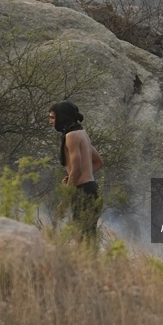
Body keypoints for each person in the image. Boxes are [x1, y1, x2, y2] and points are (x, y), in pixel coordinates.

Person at [49, 101, 104, 246]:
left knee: (81, 240)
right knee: (88, 239)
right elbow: (99, 162)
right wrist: (76, 176)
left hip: (83, 193)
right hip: (92, 190)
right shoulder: (82, 133)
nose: (51, 122)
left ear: (63, 118)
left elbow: (77, 169)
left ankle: (87, 268)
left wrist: (64, 200)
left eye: (53, 118)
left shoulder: (71, 136)